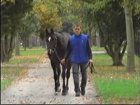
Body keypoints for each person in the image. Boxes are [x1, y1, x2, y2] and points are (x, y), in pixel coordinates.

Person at [61, 24, 93, 97]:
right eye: (76, 29)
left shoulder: (85, 38)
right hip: (74, 60)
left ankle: (82, 87)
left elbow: (88, 49)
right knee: (75, 75)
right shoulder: (71, 39)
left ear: (80, 29)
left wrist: (90, 58)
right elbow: (68, 50)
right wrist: (64, 58)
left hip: (84, 60)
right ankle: (77, 90)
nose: (77, 30)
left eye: (78, 29)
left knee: (84, 77)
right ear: (74, 30)